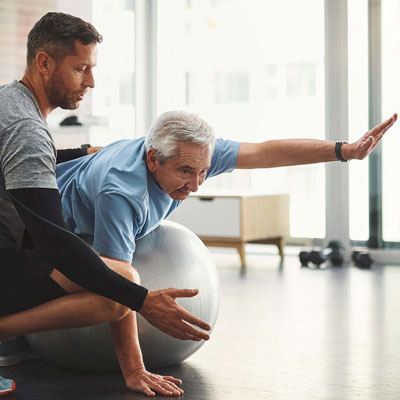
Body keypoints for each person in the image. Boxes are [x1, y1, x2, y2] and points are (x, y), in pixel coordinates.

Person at [55, 108, 397, 389]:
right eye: (186, 172)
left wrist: (344, 151)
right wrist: (135, 371)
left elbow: (265, 153)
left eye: (204, 171)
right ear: (153, 159)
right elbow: (118, 288)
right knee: (119, 278)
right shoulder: (122, 193)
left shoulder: (192, 151)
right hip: (45, 221)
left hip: (85, 184)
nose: (196, 184)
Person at [0, 12, 211, 397]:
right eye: (80, 69)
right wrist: (142, 300)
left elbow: (22, 155)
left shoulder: (10, 102)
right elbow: (54, 243)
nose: (91, 82)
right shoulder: (26, 128)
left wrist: (80, 151)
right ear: (44, 62)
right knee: (122, 282)